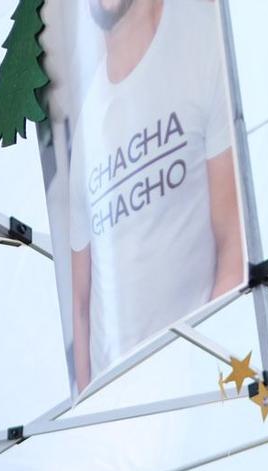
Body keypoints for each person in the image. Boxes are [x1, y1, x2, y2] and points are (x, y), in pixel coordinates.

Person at [65, 0, 245, 389]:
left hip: (197, 381)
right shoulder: (86, 132)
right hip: (116, 411)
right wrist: (90, 405)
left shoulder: (201, 45)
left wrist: (201, 371)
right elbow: (80, 304)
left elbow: (235, 244)